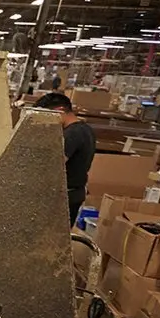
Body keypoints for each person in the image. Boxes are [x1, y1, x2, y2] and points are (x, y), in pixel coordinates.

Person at [35, 92, 96, 226]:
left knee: (51, 239)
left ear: (60, 110)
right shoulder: (86, 129)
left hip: (64, 197)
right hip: (74, 193)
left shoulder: (72, 134)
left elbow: (55, 164)